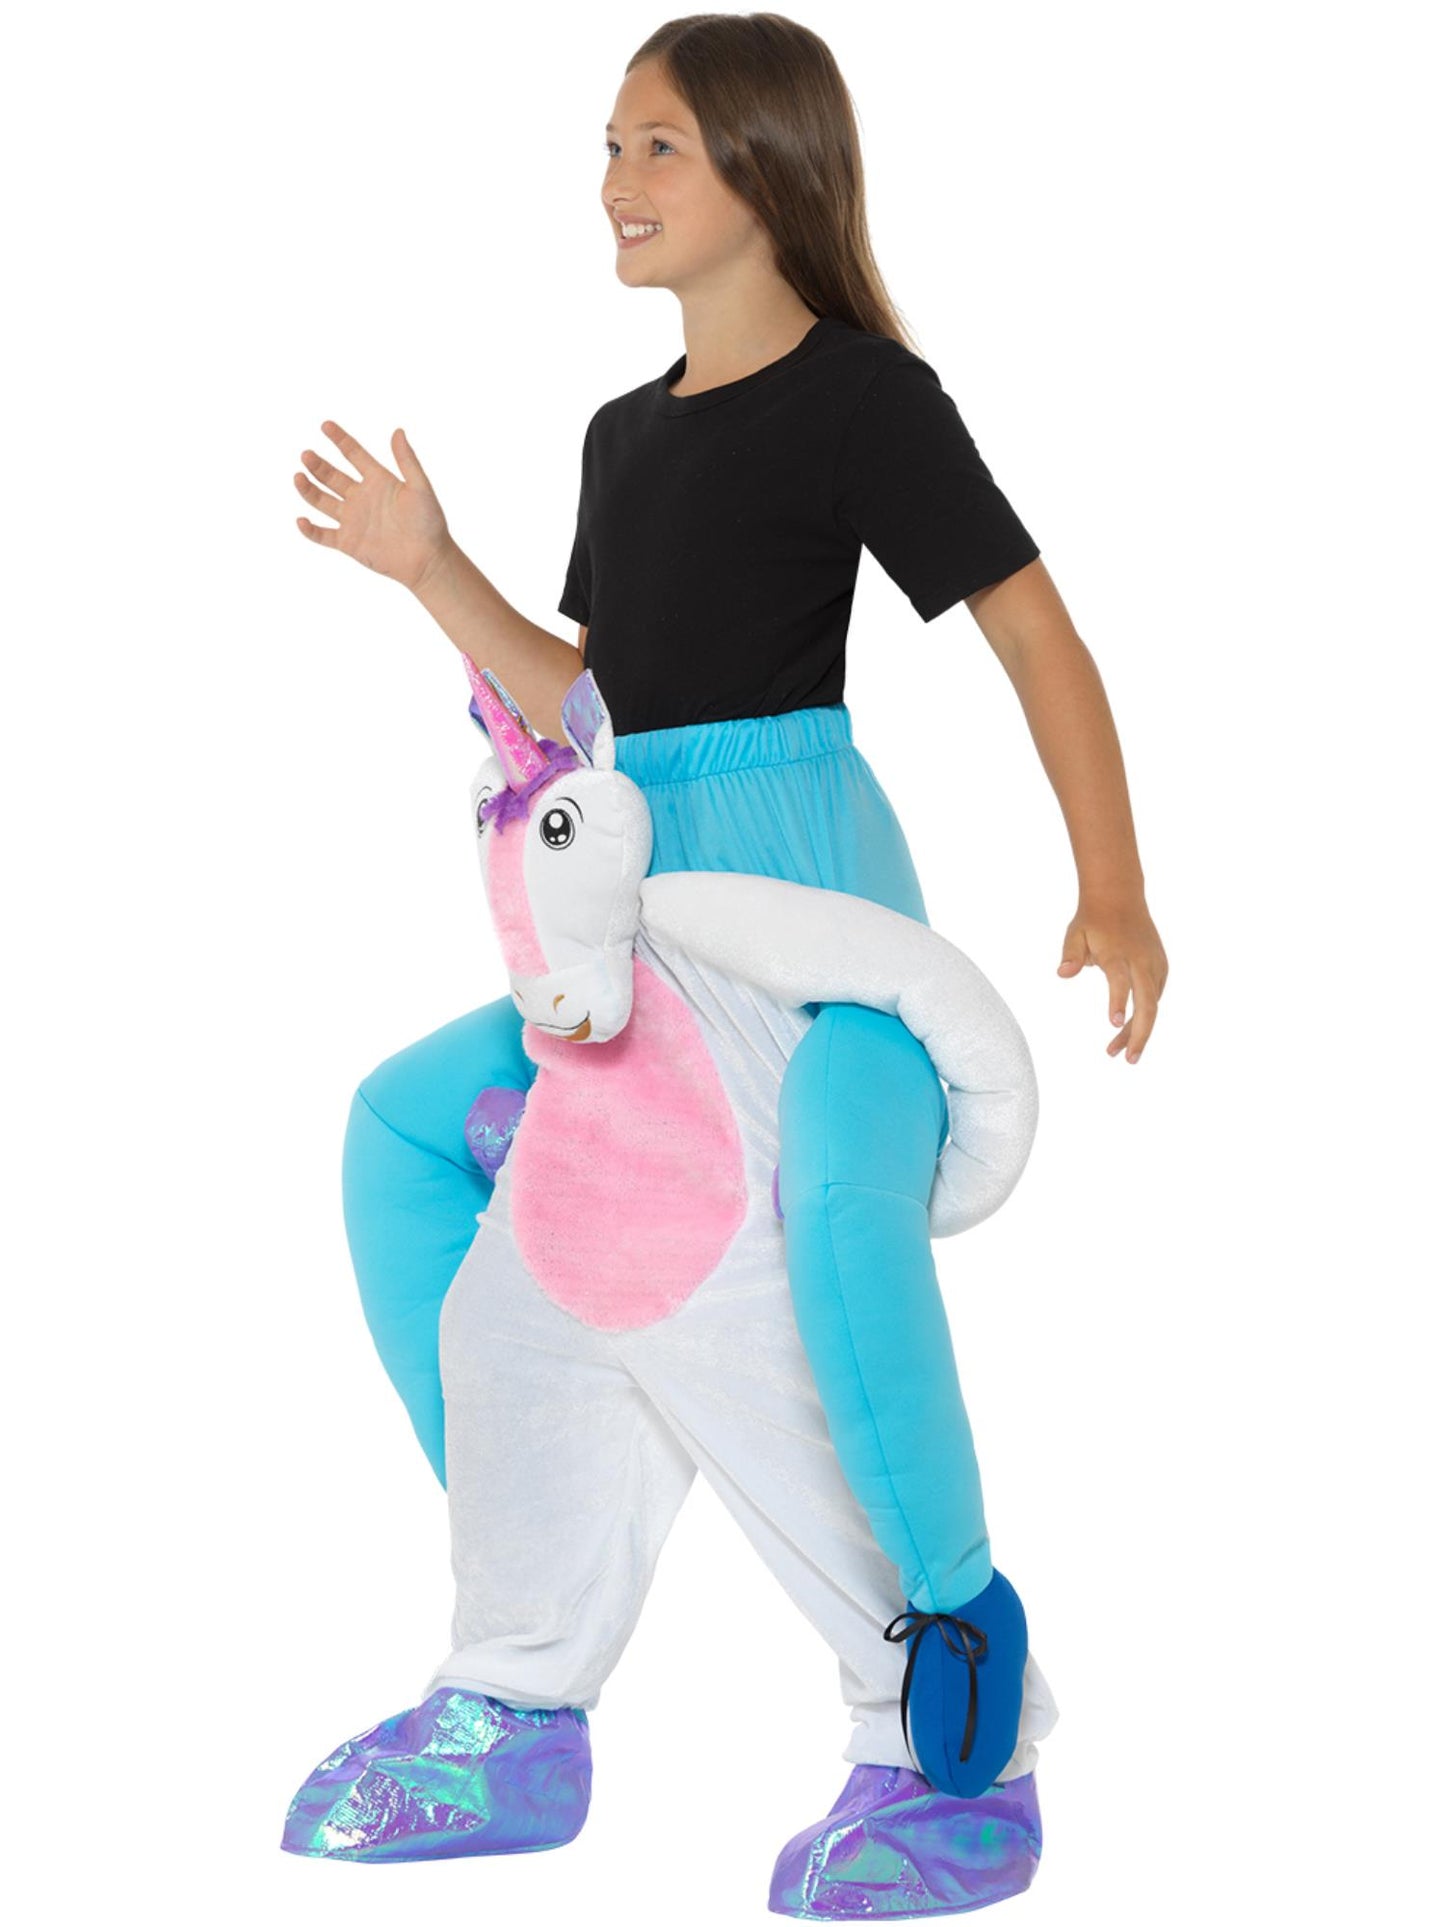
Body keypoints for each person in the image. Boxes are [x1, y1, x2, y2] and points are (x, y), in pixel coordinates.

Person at [282, 14, 1168, 1916]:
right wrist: (432, 568)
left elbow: (1034, 634)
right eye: (608, 144)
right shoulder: (622, 433)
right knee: (406, 1138)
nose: (615, 180)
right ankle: (521, 1681)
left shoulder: (863, 399)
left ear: (765, 168)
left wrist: (1112, 886)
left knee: (815, 1227)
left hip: (806, 908)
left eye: (657, 145)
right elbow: (595, 701)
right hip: (635, 912)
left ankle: (952, 1727)